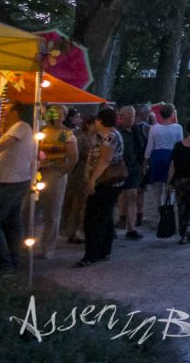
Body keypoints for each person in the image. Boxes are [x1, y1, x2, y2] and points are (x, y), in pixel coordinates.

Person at [76, 107, 125, 268]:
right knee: (104, 215)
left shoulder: (110, 136)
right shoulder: (106, 136)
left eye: (97, 120)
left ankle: (92, 253)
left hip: (105, 182)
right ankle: (104, 248)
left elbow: (105, 160)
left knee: (94, 217)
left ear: (101, 121)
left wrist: (92, 180)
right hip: (107, 182)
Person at [0, 103, 38, 275]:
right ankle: (14, 259)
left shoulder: (21, 126)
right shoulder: (15, 129)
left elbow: (1, 146)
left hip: (15, 182)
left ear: (16, 111)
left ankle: (5, 264)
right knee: (12, 222)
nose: (3, 112)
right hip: (11, 181)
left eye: (7, 109)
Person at [35, 104, 78, 257]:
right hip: (38, 173)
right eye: (55, 113)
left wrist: (62, 171)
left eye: (61, 114)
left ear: (65, 116)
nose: (58, 116)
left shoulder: (65, 134)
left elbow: (73, 157)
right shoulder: (42, 130)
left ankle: (48, 247)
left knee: (52, 211)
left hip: (55, 174)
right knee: (31, 208)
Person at [61, 115, 95, 244]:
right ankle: (74, 231)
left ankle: (81, 230)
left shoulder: (96, 138)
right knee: (77, 204)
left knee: (85, 204)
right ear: (88, 125)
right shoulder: (81, 139)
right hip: (79, 175)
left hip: (90, 174)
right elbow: (74, 157)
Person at [144, 103, 183, 217]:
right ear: (172, 115)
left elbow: (150, 146)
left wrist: (145, 161)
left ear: (160, 115)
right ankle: (169, 210)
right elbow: (180, 144)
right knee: (170, 186)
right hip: (171, 157)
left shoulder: (154, 128)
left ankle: (159, 212)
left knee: (157, 188)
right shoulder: (178, 127)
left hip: (157, 157)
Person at [114, 106, 143, 240]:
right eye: (129, 116)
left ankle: (131, 228)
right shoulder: (116, 132)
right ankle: (120, 219)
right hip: (119, 167)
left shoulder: (136, 130)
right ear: (121, 117)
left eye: (133, 116)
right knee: (118, 195)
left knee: (132, 196)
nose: (131, 119)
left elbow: (140, 147)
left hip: (133, 167)